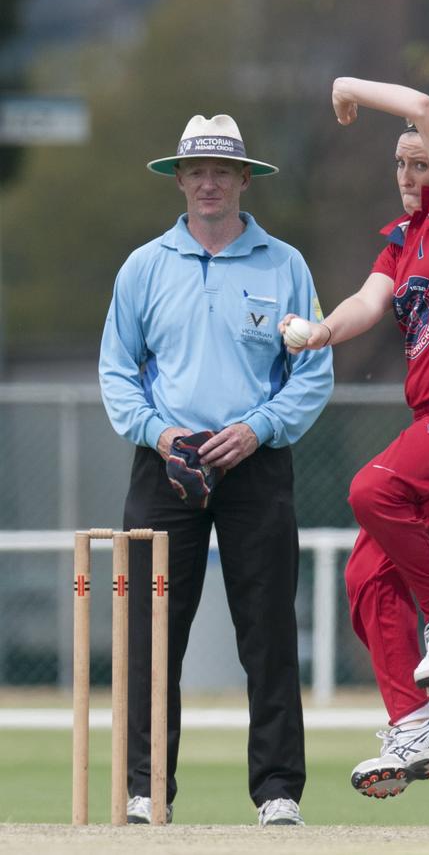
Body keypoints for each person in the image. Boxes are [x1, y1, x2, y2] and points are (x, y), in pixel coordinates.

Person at [280, 78, 429, 799]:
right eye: (400, 165)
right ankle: (413, 725)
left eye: (420, 162)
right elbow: (367, 300)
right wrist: (323, 330)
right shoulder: (403, 238)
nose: (409, 175)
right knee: (365, 576)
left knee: (370, 488)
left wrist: (346, 89)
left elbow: (421, 110)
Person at [99, 113, 334, 826]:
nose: (208, 183)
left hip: (255, 463)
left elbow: (314, 372)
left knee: (266, 628)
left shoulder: (283, 264)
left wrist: (259, 427)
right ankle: (146, 790)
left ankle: (278, 790)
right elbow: (116, 372)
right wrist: (160, 431)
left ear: (242, 179)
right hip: (165, 461)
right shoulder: (144, 266)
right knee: (149, 632)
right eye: (195, 170)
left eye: (221, 171)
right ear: (179, 178)